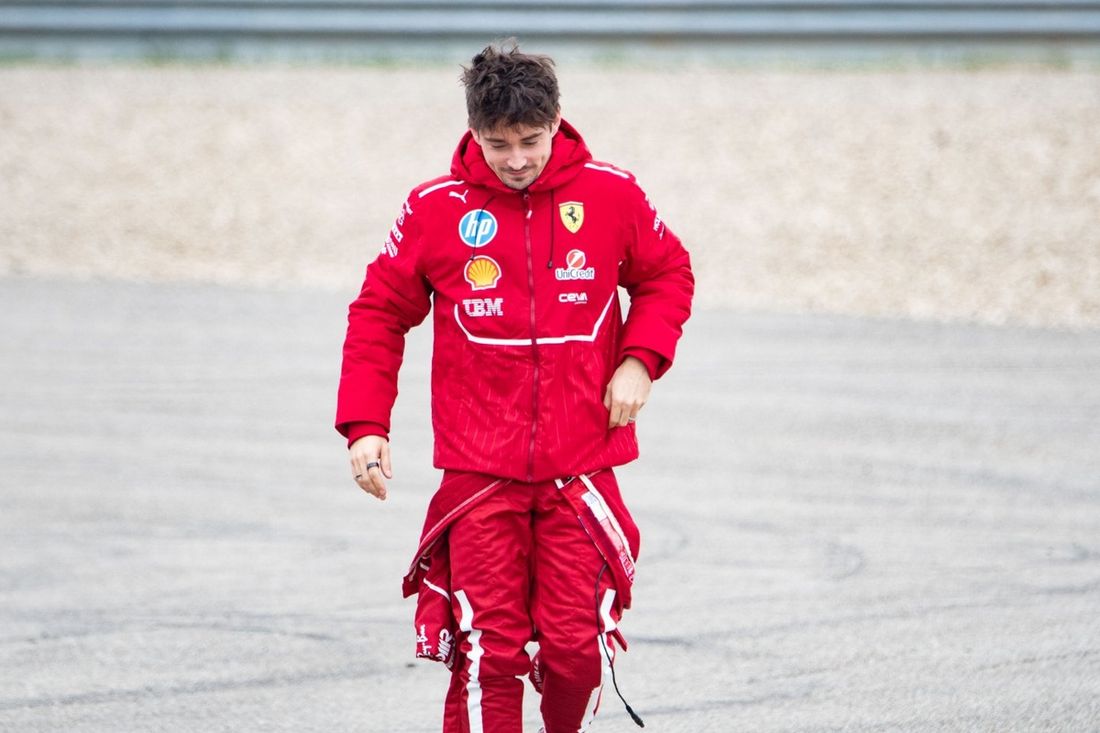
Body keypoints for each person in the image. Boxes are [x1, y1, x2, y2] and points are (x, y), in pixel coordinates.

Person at [336, 40, 693, 733]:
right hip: (478, 475)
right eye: (499, 144)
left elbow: (667, 275)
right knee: (486, 654)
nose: (519, 159)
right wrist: (365, 425)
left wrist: (640, 359)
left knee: (574, 652)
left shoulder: (612, 193)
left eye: (531, 140)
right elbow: (377, 312)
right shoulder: (433, 209)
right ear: (474, 132)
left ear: (557, 123)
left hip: (581, 468)